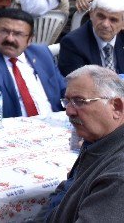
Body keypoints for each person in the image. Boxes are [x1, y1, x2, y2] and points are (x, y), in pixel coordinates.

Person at [42, 66, 124, 222]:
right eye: (67, 101)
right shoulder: (97, 141)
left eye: (79, 101)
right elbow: (63, 192)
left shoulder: (118, 177)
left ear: (116, 107)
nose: (69, 111)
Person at [0, 8, 65, 120]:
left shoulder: (42, 53)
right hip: (14, 130)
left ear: (30, 39)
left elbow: (64, 90)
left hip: (55, 122)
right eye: (4, 31)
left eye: (18, 34)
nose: (10, 39)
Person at [58, 0, 124, 76]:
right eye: (101, 16)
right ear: (91, 14)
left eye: (113, 20)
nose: (105, 24)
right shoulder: (73, 44)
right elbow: (77, 85)